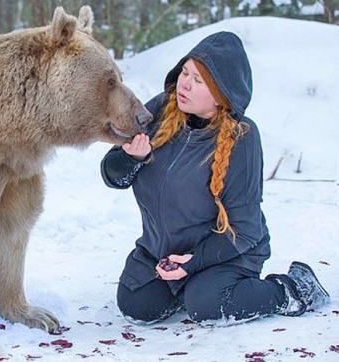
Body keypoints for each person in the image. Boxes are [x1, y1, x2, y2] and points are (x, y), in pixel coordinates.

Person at [100, 31, 329, 325]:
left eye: (198, 81)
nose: (185, 83)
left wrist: (194, 262)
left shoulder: (241, 137)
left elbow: (244, 231)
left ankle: (292, 290)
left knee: (207, 305)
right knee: (137, 304)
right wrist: (131, 158)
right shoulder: (161, 110)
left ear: (221, 93)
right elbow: (112, 176)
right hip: (162, 251)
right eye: (185, 72)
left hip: (227, 252)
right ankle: (189, 286)